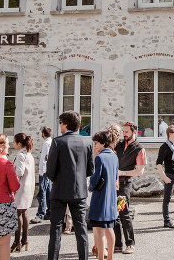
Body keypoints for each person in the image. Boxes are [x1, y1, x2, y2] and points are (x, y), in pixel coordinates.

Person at [46, 110, 95, 260]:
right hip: (79, 191)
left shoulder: (57, 142)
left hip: (59, 190)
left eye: (60, 123)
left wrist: (57, 179)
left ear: (65, 124)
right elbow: (90, 169)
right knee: (81, 229)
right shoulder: (87, 142)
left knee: (55, 229)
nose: (60, 126)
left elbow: (50, 170)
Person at [114, 121, 147, 255]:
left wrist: (122, 173)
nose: (124, 134)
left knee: (123, 212)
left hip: (124, 185)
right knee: (113, 214)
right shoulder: (119, 145)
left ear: (134, 132)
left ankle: (130, 243)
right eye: (123, 132)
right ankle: (117, 244)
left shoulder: (139, 149)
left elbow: (139, 171)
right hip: (113, 184)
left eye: (127, 132)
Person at [88, 130, 120, 260]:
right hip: (111, 197)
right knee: (109, 228)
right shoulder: (114, 156)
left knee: (99, 229)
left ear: (103, 143)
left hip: (101, 196)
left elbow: (95, 178)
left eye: (96, 143)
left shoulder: (100, 157)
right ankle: (110, 257)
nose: (95, 146)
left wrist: (90, 187)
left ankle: (101, 257)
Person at [156, 125, 174, 228]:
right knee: (167, 199)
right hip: (169, 175)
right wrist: (164, 177)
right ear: (170, 134)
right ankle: (167, 221)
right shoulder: (164, 147)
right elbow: (158, 163)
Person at [12, 133, 36, 252]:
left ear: (19, 143)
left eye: (14, 142)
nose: (13, 144)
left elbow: (19, 172)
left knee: (18, 213)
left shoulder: (21, 154)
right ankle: (24, 239)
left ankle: (17, 241)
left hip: (21, 186)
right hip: (29, 185)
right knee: (24, 212)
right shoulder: (29, 154)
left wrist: (13, 186)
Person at [32, 126, 53, 224]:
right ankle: (49, 212)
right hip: (47, 171)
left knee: (42, 192)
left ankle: (40, 214)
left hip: (44, 171)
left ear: (43, 134)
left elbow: (46, 158)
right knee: (48, 192)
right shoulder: (50, 142)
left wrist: (42, 172)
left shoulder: (46, 143)